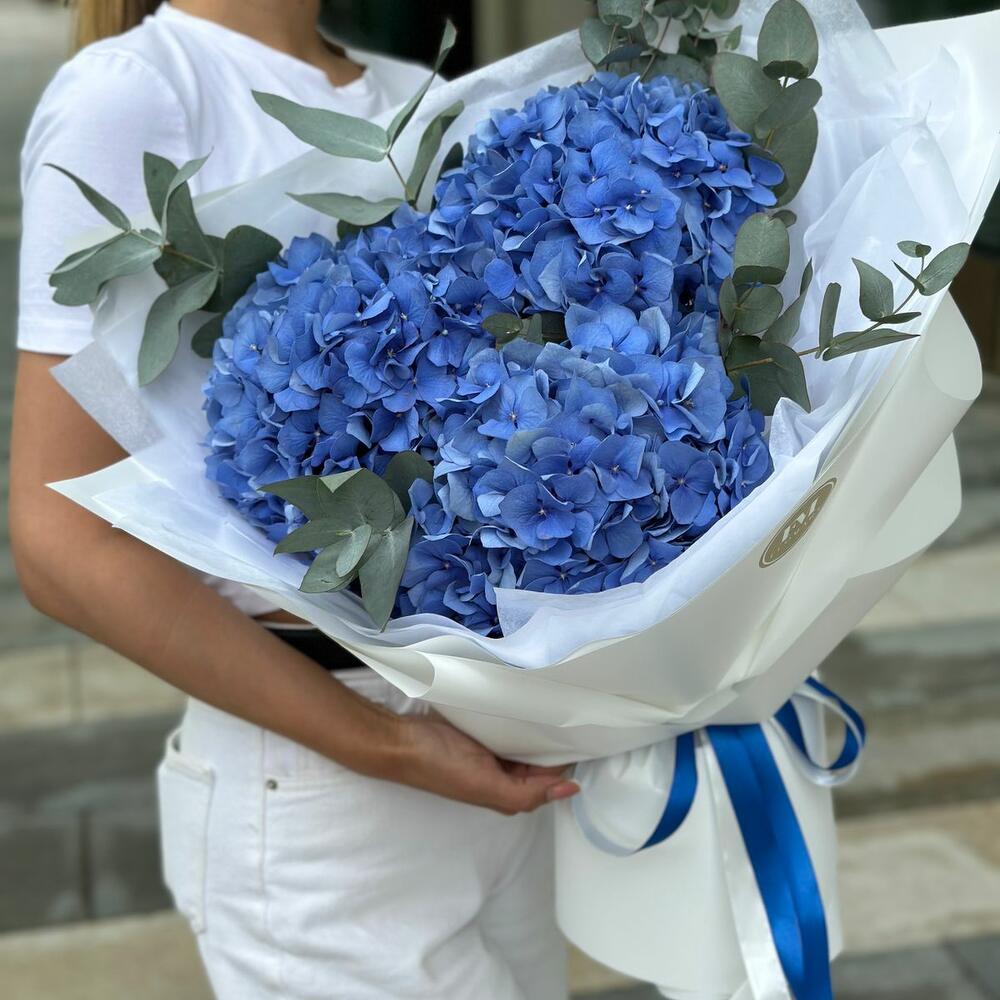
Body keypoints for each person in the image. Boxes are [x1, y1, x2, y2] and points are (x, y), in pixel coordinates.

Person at [9, 3, 577, 997]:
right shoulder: (136, 94)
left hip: (488, 742)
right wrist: (384, 743)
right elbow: (62, 542)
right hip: (325, 778)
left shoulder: (408, 91)